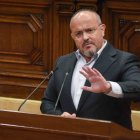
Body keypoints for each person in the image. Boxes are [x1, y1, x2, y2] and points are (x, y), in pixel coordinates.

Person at [40, 9, 140, 130]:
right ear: (73, 36)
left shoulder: (124, 60)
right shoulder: (63, 62)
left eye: (90, 30)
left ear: (102, 30)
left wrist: (108, 87)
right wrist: (60, 116)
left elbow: (137, 87)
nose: (85, 37)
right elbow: (48, 102)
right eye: (78, 34)